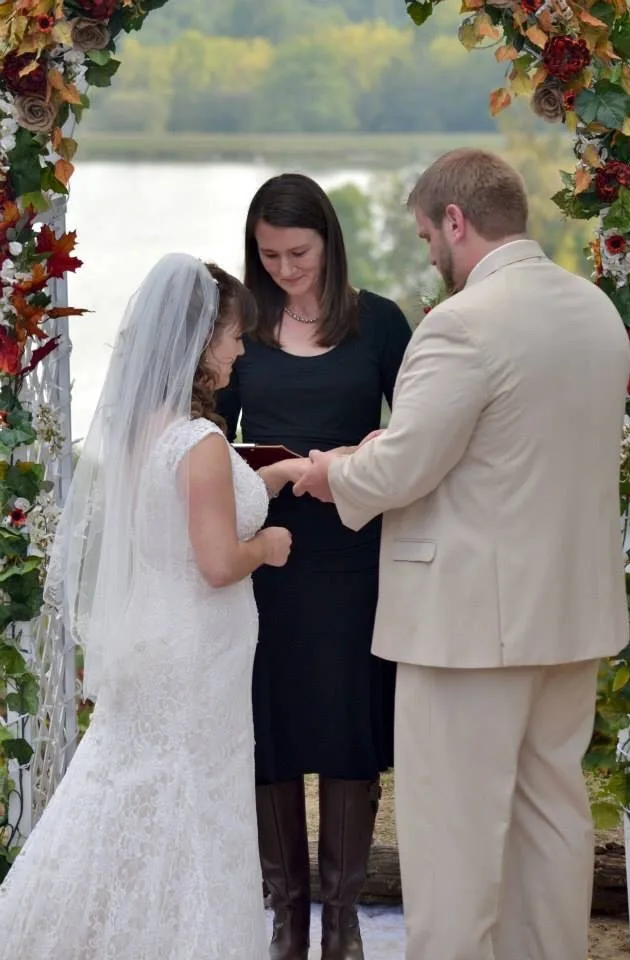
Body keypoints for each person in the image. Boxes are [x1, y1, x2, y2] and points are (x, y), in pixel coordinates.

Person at [294, 149, 630, 960]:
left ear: (455, 220)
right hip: (570, 615)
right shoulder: (594, 312)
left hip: (468, 630)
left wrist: (329, 469)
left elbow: (404, 468)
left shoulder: (462, 324)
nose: (429, 257)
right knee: (552, 828)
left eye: (425, 237)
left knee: (452, 848)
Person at [0, 253, 307, 960]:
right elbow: (217, 562)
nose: (238, 348)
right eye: (232, 335)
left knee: (129, 794)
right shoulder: (198, 444)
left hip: (157, 639)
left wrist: (283, 471)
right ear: (201, 343)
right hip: (196, 653)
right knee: (192, 806)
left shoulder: (146, 428)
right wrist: (268, 546)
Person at [216, 173, 412, 960]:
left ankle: (342, 919)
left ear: (329, 240)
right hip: (262, 563)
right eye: (268, 256)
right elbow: (202, 437)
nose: (285, 270)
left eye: (298, 253)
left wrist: (362, 453)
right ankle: (287, 918)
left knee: (345, 726)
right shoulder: (242, 328)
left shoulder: (381, 325)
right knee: (270, 727)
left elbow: (420, 432)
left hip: (353, 562)